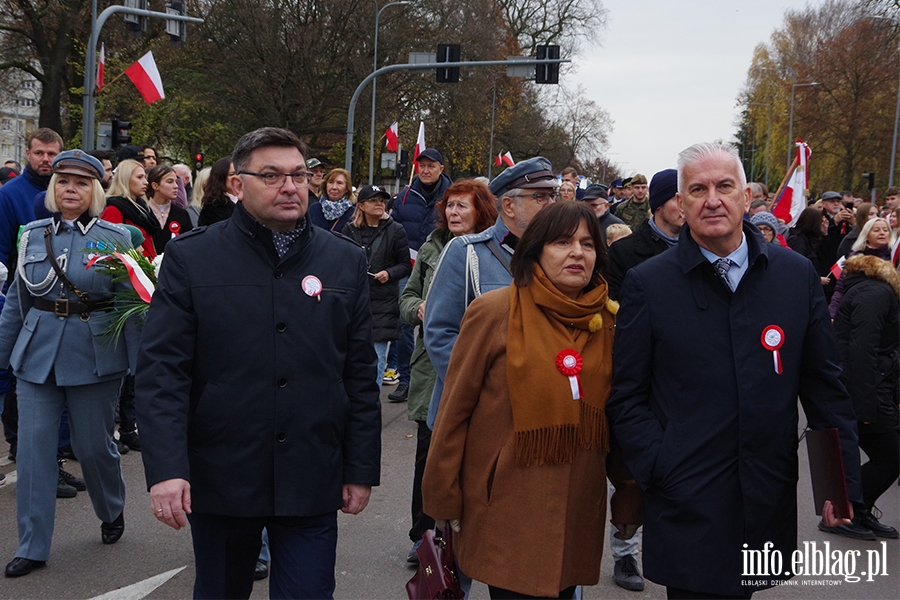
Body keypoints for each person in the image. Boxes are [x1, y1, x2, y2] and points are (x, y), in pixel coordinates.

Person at [607, 142, 861, 599]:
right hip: (687, 497)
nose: (712, 199)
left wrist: (838, 486)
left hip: (765, 491)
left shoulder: (795, 275)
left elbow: (824, 387)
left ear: (746, 197)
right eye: (697, 189)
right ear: (681, 205)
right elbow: (626, 395)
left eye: (724, 186)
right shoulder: (650, 284)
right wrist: (660, 464)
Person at [135, 127, 381, 599]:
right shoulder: (193, 258)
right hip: (223, 475)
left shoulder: (344, 261)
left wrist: (360, 467)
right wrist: (166, 468)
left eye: (298, 175)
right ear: (236, 185)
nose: (290, 186)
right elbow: (162, 372)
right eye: (271, 175)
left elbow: (358, 375)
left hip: (311, 474)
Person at [422, 201, 641, 599]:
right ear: (535, 250)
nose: (577, 253)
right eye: (562, 242)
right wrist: (442, 496)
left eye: (588, 244)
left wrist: (627, 496)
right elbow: (454, 413)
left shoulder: (609, 321)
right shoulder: (493, 312)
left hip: (577, 509)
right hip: (506, 505)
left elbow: (620, 420)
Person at [0, 150, 140, 577]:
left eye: (81, 183)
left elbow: (129, 304)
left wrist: (141, 367)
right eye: (63, 182)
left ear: (95, 190)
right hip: (37, 353)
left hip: (94, 354)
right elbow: (16, 303)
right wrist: (2, 355)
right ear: (52, 188)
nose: (70, 190)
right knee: (34, 449)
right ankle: (33, 544)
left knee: (93, 447)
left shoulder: (116, 238)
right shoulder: (32, 235)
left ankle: (111, 507)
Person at [398, 179, 497, 563]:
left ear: (481, 211)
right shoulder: (430, 247)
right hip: (429, 370)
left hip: (474, 370)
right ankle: (423, 537)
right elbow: (407, 297)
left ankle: (467, 537)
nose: (453, 213)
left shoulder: (489, 251)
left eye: (462, 207)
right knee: (430, 456)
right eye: (450, 206)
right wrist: (417, 308)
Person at [423, 157, 558, 429]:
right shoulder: (467, 252)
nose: (552, 204)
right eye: (541, 197)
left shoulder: (553, 255)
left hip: (537, 414)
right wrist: (490, 391)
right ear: (508, 205)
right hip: (478, 416)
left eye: (553, 196)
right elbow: (439, 334)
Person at [0, 128, 63, 479]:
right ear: (27, 153)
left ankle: (52, 461)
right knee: (19, 376)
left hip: (62, 306)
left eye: (52, 153)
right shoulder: (10, 195)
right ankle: (23, 452)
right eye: (40, 153)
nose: (46, 160)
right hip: (22, 300)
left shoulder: (66, 193)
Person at [830, 253, 899, 540]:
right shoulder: (875, 293)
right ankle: (847, 510)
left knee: (889, 454)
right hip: (867, 389)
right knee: (892, 454)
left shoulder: (869, 290)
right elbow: (862, 351)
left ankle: (857, 508)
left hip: (871, 387)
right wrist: (865, 405)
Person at [389, 148, 453, 400]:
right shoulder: (404, 196)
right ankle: (405, 378)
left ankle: (442, 377)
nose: (426, 170)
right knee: (405, 323)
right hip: (410, 267)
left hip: (446, 265)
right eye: (422, 166)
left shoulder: (452, 196)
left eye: (431, 166)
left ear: (441, 169)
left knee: (442, 322)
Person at [341, 185, 411, 386]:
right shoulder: (349, 229)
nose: (380, 203)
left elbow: (405, 265)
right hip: (354, 301)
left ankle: (371, 406)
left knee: (377, 358)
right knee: (353, 358)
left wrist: (389, 273)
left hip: (383, 302)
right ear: (361, 205)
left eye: (382, 200)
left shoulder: (396, 230)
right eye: (374, 200)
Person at [607, 168, 683, 301]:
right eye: (677, 200)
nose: (685, 206)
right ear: (658, 204)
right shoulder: (622, 252)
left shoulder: (704, 248)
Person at [828, 217, 895, 318]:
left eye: (885, 230)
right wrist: (832, 313)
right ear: (866, 235)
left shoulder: (894, 257)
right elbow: (840, 288)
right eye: (876, 230)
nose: (882, 233)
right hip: (856, 311)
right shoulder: (854, 259)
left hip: (887, 313)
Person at [102, 159, 158, 258]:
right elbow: (109, 251)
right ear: (125, 179)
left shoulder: (143, 207)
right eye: (139, 177)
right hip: (129, 270)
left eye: (145, 177)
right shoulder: (113, 209)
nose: (146, 182)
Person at [145, 165, 193, 253]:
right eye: (170, 182)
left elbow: (190, 245)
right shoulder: (142, 212)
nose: (176, 186)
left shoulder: (182, 214)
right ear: (155, 186)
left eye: (176, 181)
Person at [198, 157, 238, 226]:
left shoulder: (248, 199)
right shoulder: (213, 206)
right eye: (232, 174)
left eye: (238, 173)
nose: (237, 177)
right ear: (220, 178)